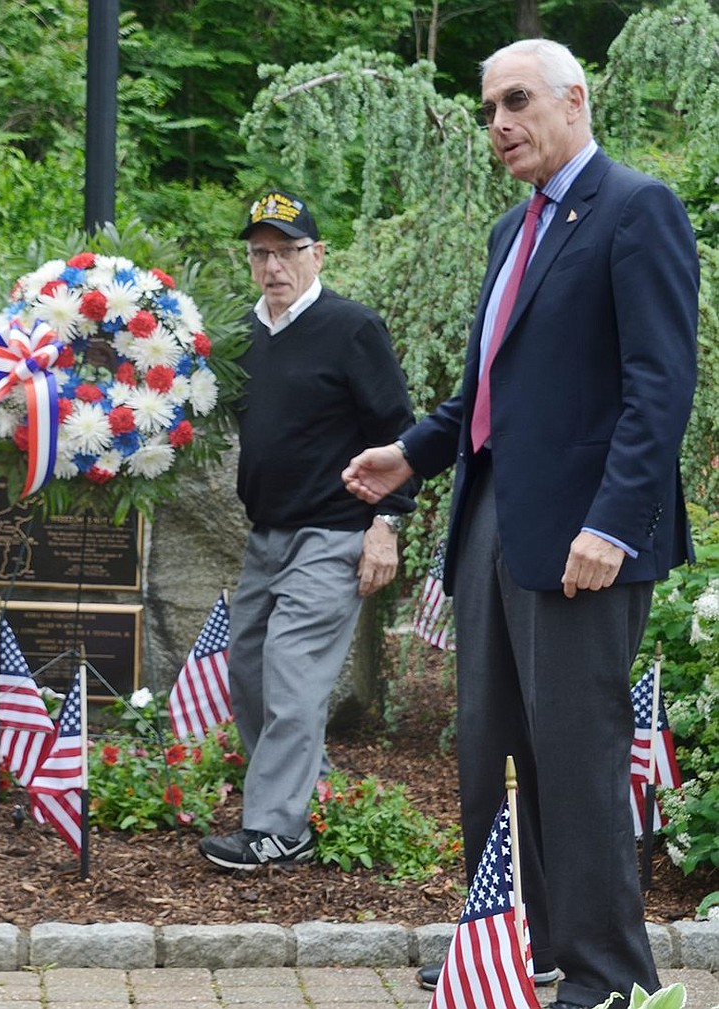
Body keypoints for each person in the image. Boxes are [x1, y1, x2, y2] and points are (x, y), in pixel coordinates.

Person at [342, 40, 698, 1009]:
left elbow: (660, 388)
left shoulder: (637, 208)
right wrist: (410, 454)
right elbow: (484, 396)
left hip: (588, 533)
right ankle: (512, 937)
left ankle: (608, 971)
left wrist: (615, 524)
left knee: (577, 752)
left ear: (574, 99)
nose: (499, 121)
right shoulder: (514, 231)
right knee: (490, 741)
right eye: (489, 108)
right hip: (492, 515)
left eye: (517, 100)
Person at [198, 190, 417, 870]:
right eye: (260, 252)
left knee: (293, 678)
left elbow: (401, 432)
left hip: (333, 533)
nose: (273, 266)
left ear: (317, 254)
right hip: (266, 535)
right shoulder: (240, 332)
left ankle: (276, 828)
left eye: (288, 251)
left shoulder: (352, 328)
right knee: (250, 674)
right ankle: (308, 786)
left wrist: (386, 525)